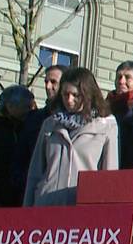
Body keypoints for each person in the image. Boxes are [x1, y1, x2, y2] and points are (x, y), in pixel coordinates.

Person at [24, 68, 118, 206]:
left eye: (75, 95)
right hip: (47, 204)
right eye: (65, 94)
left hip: (83, 209)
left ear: (88, 94)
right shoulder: (50, 124)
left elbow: (109, 177)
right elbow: (35, 172)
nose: (69, 100)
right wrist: (27, 209)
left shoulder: (106, 125)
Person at [13, 65, 66, 198]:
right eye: (46, 82)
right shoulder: (34, 118)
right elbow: (21, 156)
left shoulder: (76, 120)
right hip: (32, 189)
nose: (48, 87)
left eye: (53, 82)